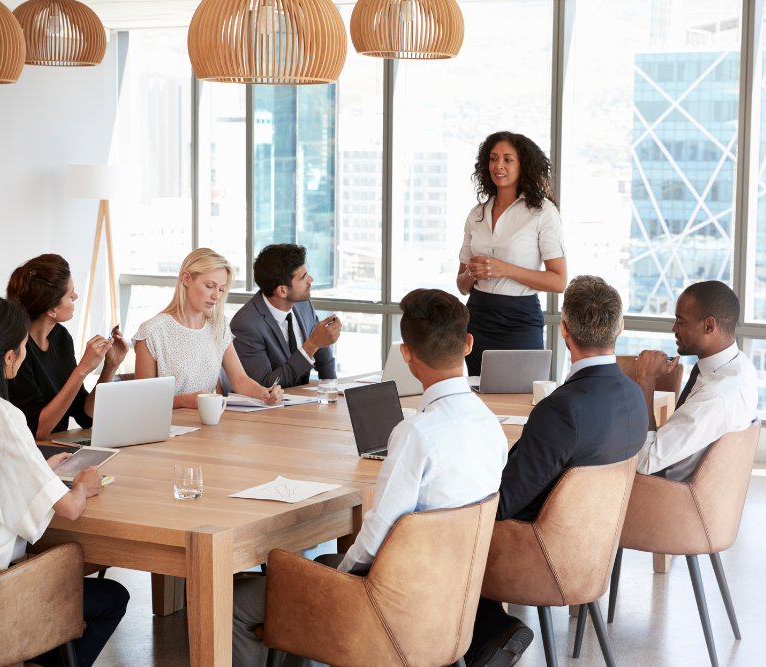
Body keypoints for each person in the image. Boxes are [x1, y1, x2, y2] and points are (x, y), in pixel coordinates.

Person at [229, 289, 509, 667]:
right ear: (468, 344)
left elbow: (378, 535)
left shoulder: (416, 435)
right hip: (451, 600)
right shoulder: (489, 424)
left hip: (391, 609)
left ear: (406, 355)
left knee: (234, 602)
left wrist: (337, 585)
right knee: (326, 561)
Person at [0, 295, 129, 667]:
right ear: (8, 357)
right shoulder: (1, 414)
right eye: (22, 347)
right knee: (112, 597)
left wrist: (38, 471)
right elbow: (69, 509)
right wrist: (83, 485)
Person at [465, 275, 648, 667]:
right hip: (592, 551)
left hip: (538, 553)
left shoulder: (561, 409)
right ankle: (489, 630)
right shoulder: (635, 395)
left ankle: (484, 636)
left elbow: (505, 502)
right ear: (620, 328)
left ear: (563, 329)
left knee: (441, 527)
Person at [456, 131, 568, 376]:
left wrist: (503, 268)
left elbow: (558, 281)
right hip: (477, 319)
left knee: (521, 399)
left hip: (520, 321)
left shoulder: (542, 212)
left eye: (508, 159)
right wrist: (473, 272)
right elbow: (462, 285)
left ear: (523, 165)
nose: (499, 165)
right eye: (493, 158)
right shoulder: (477, 214)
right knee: (480, 395)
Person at [635, 280, 758, 480]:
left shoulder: (713, 397)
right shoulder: (740, 365)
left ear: (709, 326)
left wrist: (646, 380)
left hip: (663, 490)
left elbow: (645, 462)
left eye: (680, 321)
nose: (674, 328)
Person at [133, 248, 283, 408]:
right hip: (168, 428)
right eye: (210, 286)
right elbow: (142, 401)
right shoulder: (152, 332)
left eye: (221, 289)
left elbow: (239, 379)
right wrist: (184, 401)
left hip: (208, 424)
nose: (216, 296)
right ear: (186, 279)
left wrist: (265, 394)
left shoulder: (219, 326)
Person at [6, 254, 128, 439]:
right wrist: (82, 370)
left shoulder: (60, 337)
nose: (76, 297)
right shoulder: (17, 352)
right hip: (34, 453)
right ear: (51, 310)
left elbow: (85, 416)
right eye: (71, 295)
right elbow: (37, 430)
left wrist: (110, 366)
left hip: (58, 448)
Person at [231, 244, 340, 387]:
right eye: (303, 277)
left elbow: (322, 352)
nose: (311, 279)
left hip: (305, 403)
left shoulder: (303, 304)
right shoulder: (245, 325)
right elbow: (265, 385)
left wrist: (334, 392)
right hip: (270, 407)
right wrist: (310, 346)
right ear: (282, 291)